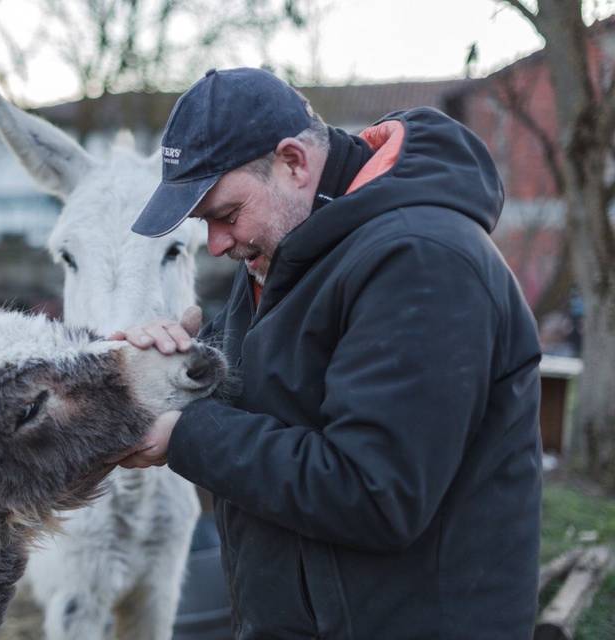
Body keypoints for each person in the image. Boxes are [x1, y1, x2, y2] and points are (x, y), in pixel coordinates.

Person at [111, 68, 542, 639]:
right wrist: (174, 366)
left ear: (293, 162)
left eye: (226, 215)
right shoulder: (290, 247)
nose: (217, 244)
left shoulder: (421, 260)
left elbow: (373, 491)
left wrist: (183, 435)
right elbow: (274, 397)